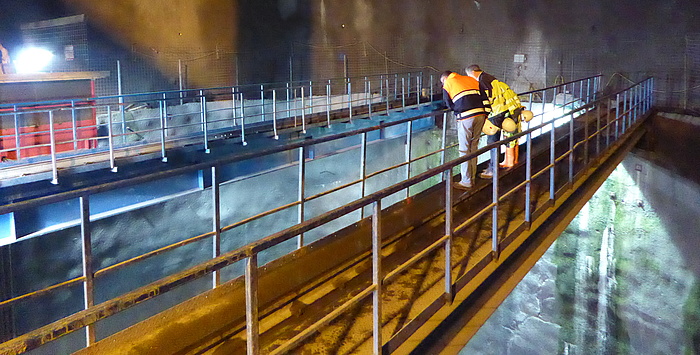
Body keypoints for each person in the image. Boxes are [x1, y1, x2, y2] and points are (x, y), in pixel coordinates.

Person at [465, 64, 523, 179]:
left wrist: (485, 115)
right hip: (510, 109)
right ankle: (512, 161)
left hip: (497, 113)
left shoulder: (482, 81)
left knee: (492, 141)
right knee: (511, 136)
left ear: (472, 73)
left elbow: (488, 100)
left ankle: (492, 170)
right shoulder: (491, 78)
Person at [441, 70, 491, 190]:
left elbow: (448, 103)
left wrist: (458, 111)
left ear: (445, 78)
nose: (443, 84)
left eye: (442, 81)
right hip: (480, 115)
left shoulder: (448, 83)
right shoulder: (471, 79)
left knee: (464, 150)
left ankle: (467, 181)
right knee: (474, 147)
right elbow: (485, 97)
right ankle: (472, 176)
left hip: (466, 117)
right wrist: (485, 114)